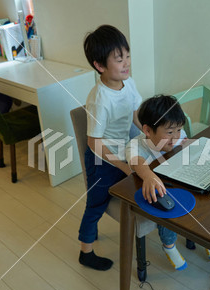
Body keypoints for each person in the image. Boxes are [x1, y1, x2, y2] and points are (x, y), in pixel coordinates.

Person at [78, 25, 142, 271]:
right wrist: (123, 166)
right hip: (101, 158)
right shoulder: (99, 99)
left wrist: (150, 133)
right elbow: (94, 142)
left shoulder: (129, 83)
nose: (126, 63)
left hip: (122, 150)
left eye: (127, 55)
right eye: (119, 59)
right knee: (96, 205)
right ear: (100, 66)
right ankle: (86, 251)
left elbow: (135, 114)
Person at [125, 95, 188, 270]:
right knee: (166, 202)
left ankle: (202, 239)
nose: (175, 137)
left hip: (174, 179)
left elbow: (183, 149)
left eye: (178, 130)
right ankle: (169, 245)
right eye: (169, 132)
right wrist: (149, 176)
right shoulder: (135, 146)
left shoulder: (178, 135)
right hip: (147, 191)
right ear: (147, 130)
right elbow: (137, 163)